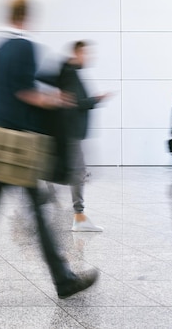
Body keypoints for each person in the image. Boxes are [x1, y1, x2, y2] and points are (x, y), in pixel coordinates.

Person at [0, 0, 98, 308]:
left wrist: (0, 115)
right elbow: (26, 92)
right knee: (38, 214)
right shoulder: (23, 47)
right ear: (25, 18)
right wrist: (56, 100)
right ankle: (64, 279)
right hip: (19, 146)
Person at [53, 41, 108, 232]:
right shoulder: (70, 73)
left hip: (72, 131)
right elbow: (76, 102)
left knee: (78, 172)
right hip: (71, 130)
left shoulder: (70, 72)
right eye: (85, 53)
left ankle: (78, 215)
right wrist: (96, 99)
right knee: (78, 172)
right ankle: (79, 215)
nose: (89, 57)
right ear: (77, 53)